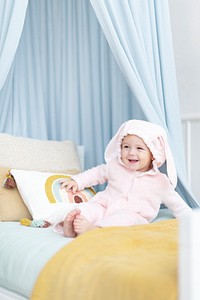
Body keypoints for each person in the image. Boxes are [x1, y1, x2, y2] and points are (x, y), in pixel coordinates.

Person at [55, 119, 192, 237]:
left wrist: (192, 221)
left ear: (153, 154)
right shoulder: (115, 166)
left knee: (126, 218)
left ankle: (95, 231)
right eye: (126, 147)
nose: (131, 152)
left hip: (134, 215)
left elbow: (178, 206)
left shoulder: (160, 182)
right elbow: (96, 173)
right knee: (88, 209)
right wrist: (77, 181)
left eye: (139, 148)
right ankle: (70, 227)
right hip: (104, 205)